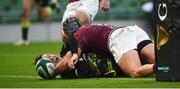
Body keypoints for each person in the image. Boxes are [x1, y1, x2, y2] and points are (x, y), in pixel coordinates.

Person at [60, 17, 155, 78]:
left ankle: (160, 68)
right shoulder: (88, 28)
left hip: (120, 37)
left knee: (135, 71)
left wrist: (54, 71)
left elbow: (72, 47)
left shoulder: (78, 34)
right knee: (160, 59)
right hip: (133, 31)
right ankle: (166, 65)